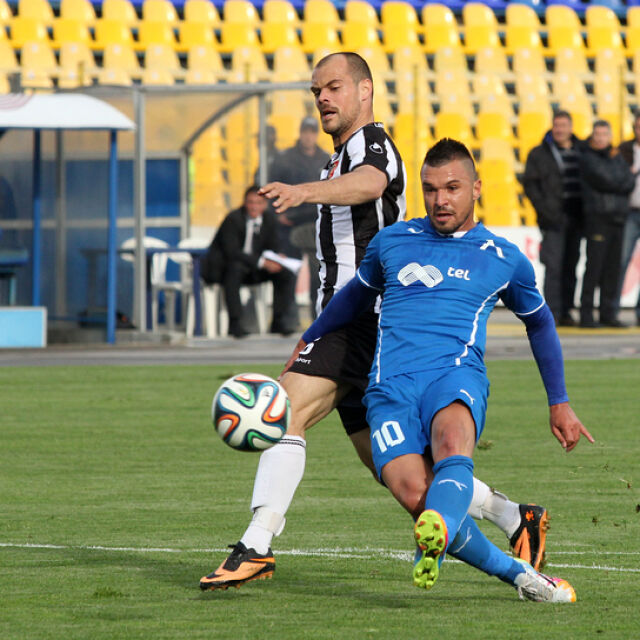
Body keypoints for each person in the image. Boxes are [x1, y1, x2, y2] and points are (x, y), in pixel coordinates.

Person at [200, 54, 550, 592]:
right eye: (317, 90)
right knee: (406, 480)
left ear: (364, 91)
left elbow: (371, 182)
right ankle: (512, 516)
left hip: (363, 320)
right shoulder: (336, 156)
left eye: (334, 87)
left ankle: (257, 545)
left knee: (282, 413)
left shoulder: (371, 143)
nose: (323, 98)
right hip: (353, 326)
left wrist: (302, 192)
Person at [292, 138, 593, 601]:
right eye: (431, 189)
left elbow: (540, 322)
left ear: (476, 188)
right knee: (418, 498)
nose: (440, 200)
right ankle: (521, 576)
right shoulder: (392, 243)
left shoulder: (502, 256)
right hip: (389, 389)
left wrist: (560, 403)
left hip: (454, 376)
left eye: (452, 188)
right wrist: (310, 336)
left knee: (453, 445)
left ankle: (441, 536)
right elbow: (354, 296)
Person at [199, 185, 297, 338]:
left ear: (264, 204)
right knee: (235, 268)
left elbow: (273, 244)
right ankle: (235, 323)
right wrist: (261, 262)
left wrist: (277, 258)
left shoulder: (269, 219)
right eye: (250, 202)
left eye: (258, 203)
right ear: (244, 203)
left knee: (285, 274)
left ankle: (279, 321)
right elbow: (231, 252)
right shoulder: (233, 219)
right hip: (226, 269)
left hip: (254, 269)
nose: (254, 207)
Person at [523, 110, 583, 326]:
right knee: (554, 266)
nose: (560, 130)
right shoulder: (539, 153)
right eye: (557, 125)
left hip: (577, 218)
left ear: (571, 127)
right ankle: (553, 313)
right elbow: (530, 184)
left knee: (571, 266)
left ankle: (567, 311)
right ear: (552, 127)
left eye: (564, 125)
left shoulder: (581, 150)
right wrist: (544, 210)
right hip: (553, 219)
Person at [269, 116, 331, 320]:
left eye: (312, 132)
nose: (308, 136)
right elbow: (272, 187)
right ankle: (287, 318)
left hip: (314, 223)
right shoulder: (285, 159)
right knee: (289, 270)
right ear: (300, 133)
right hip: (288, 224)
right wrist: (279, 215)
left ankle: (317, 317)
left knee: (317, 273)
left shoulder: (325, 159)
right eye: (305, 131)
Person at [579, 120, 635, 328]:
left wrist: (621, 180)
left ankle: (607, 313)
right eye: (598, 134)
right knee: (594, 267)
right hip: (598, 219)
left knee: (613, 268)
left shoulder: (615, 155)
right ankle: (586, 314)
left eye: (604, 134)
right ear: (593, 136)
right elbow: (607, 180)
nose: (601, 138)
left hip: (617, 218)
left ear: (610, 136)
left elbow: (629, 182)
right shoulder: (587, 157)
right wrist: (622, 179)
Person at [615, 113, 640, 326]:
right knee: (620, 261)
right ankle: (612, 310)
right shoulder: (624, 150)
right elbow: (617, 180)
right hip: (630, 211)